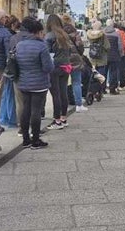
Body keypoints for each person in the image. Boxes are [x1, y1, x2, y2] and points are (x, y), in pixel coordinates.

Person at [16, 17, 54, 149]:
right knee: (36, 111)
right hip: (39, 83)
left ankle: (25, 139)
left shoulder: (20, 45)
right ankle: (36, 139)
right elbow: (48, 67)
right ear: (38, 32)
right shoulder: (41, 46)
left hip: (24, 82)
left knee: (25, 110)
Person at [45, 14, 78, 129]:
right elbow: (70, 51)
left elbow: (47, 54)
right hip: (66, 66)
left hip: (55, 67)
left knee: (55, 94)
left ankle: (57, 120)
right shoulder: (64, 35)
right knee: (63, 92)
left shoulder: (49, 36)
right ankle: (64, 118)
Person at [61, 14, 87, 112]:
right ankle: (79, 104)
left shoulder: (60, 32)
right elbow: (80, 46)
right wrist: (78, 54)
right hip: (75, 59)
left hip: (64, 60)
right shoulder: (74, 32)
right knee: (76, 82)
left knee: (63, 83)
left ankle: (64, 103)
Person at [104, 19, 124, 94]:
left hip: (105, 56)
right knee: (113, 73)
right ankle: (112, 89)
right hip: (115, 56)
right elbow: (120, 46)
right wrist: (121, 54)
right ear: (113, 25)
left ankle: (103, 89)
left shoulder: (102, 33)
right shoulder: (116, 34)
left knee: (104, 73)